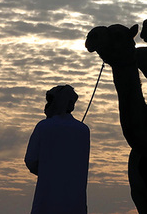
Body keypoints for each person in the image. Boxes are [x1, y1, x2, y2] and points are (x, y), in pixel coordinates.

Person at [25, 85, 91, 214]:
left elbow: (31, 160)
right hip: (76, 204)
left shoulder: (43, 126)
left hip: (46, 202)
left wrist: (48, 171)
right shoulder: (83, 130)